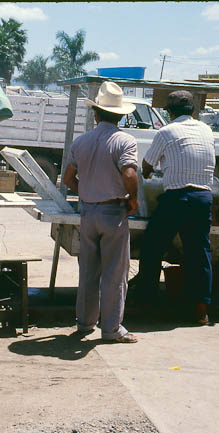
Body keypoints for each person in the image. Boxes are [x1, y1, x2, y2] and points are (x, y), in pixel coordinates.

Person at [62, 81, 139, 343]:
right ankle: (111, 328)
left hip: (88, 212)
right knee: (114, 274)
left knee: (88, 271)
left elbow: (68, 178)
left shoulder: (81, 141)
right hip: (112, 213)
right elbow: (129, 173)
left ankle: (85, 323)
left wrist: (87, 189)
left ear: (96, 113)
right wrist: (134, 199)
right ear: (120, 115)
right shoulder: (124, 141)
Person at [137, 90, 216, 325]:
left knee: (152, 247)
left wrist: (149, 172)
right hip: (203, 198)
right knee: (199, 254)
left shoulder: (166, 131)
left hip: (177, 199)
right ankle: (201, 310)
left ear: (169, 112)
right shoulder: (206, 130)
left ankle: (147, 303)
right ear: (193, 111)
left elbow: (147, 164)